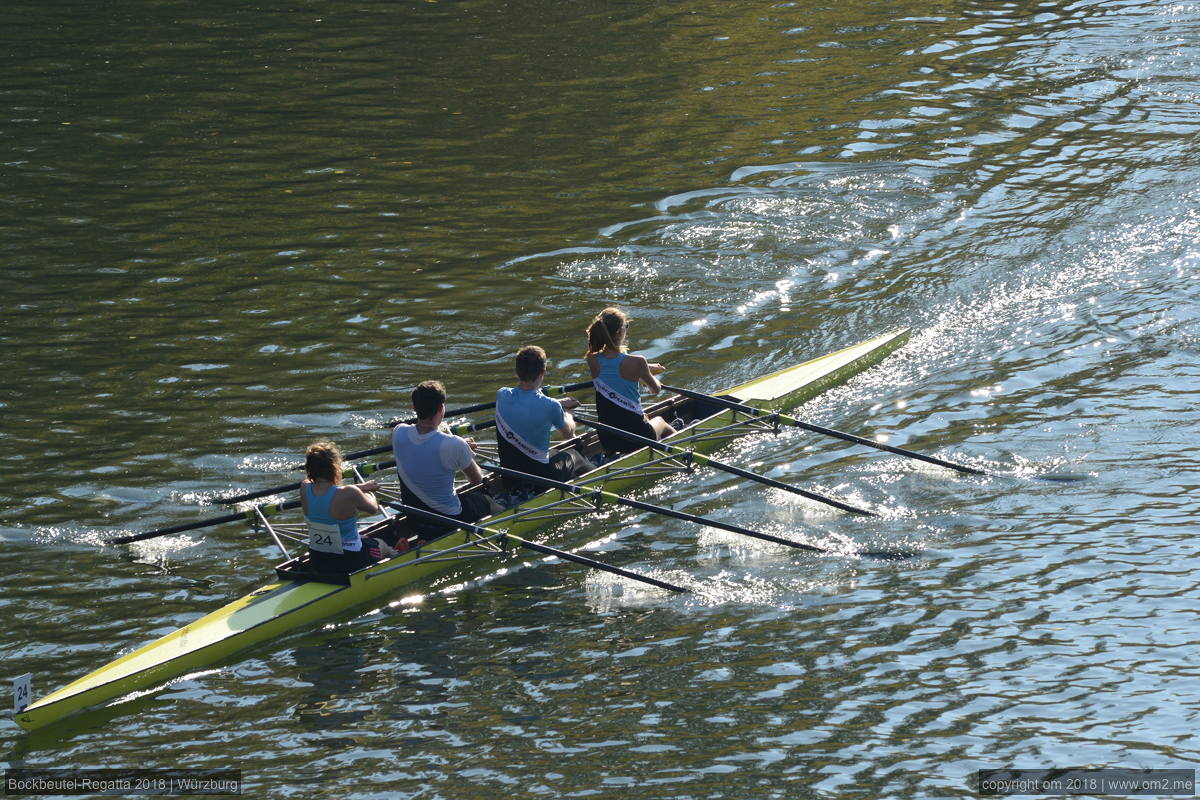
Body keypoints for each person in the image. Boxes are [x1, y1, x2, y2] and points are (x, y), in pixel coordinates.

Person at [392, 380, 501, 537]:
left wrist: (461, 448)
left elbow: (425, 449)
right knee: (487, 501)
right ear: (442, 408)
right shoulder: (454, 444)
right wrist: (463, 449)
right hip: (448, 521)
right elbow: (476, 480)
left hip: (414, 520)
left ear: (414, 408)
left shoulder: (398, 432)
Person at [495, 345, 591, 495]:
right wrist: (567, 415)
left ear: (516, 372)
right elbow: (568, 434)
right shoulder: (550, 406)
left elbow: (529, 402)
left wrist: (558, 404)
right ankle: (597, 475)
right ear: (542, 373)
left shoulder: (502, 395)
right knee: (574, 454)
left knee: (554, 452)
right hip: (542, 481)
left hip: (510, 479)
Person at [585, 306, 676, 454]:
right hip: (639, 437)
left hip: (608, 439)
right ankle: (680, 444)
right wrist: (646, 372)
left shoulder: (591, 359)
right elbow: (655, 390)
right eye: (626, 326)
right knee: (660, 421)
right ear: (620, 332)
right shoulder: (638, 362)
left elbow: (614, 368)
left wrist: (645, 369)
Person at [300, 441, 394, 573]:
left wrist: (360, 487)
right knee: (381, 544)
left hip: (318, 559)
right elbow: (373, 508)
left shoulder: (304, 487)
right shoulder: (349, 493)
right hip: (350, 561)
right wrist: (369, 492)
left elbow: (330, 492)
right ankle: (397, 557)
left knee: (364, 538)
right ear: (335, 466)